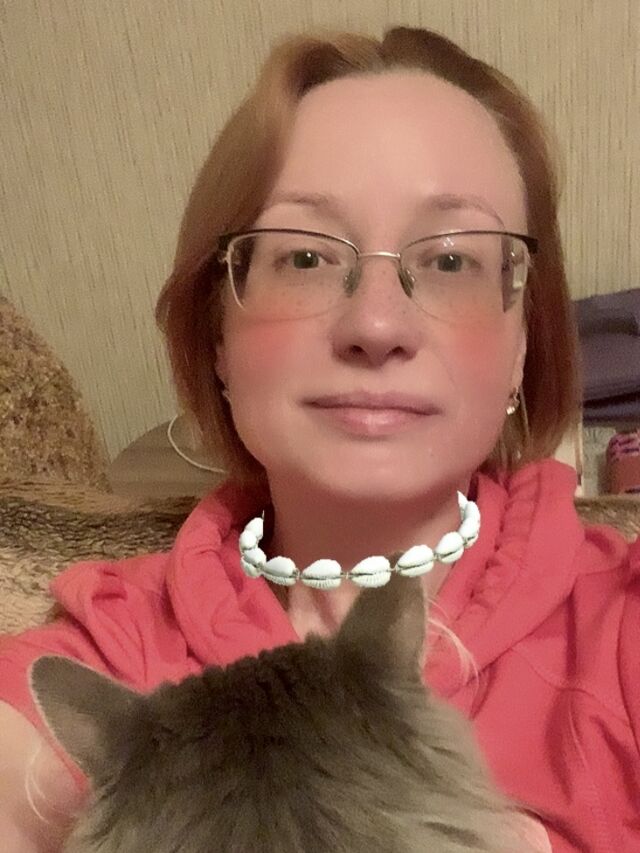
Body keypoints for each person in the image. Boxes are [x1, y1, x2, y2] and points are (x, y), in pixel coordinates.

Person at [0, 25, 637, 853]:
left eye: (451, 260)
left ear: (524, 341)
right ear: (218, 333)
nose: (376, 323)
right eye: (304, 257)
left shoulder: (620, 631)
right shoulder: (104, 648)